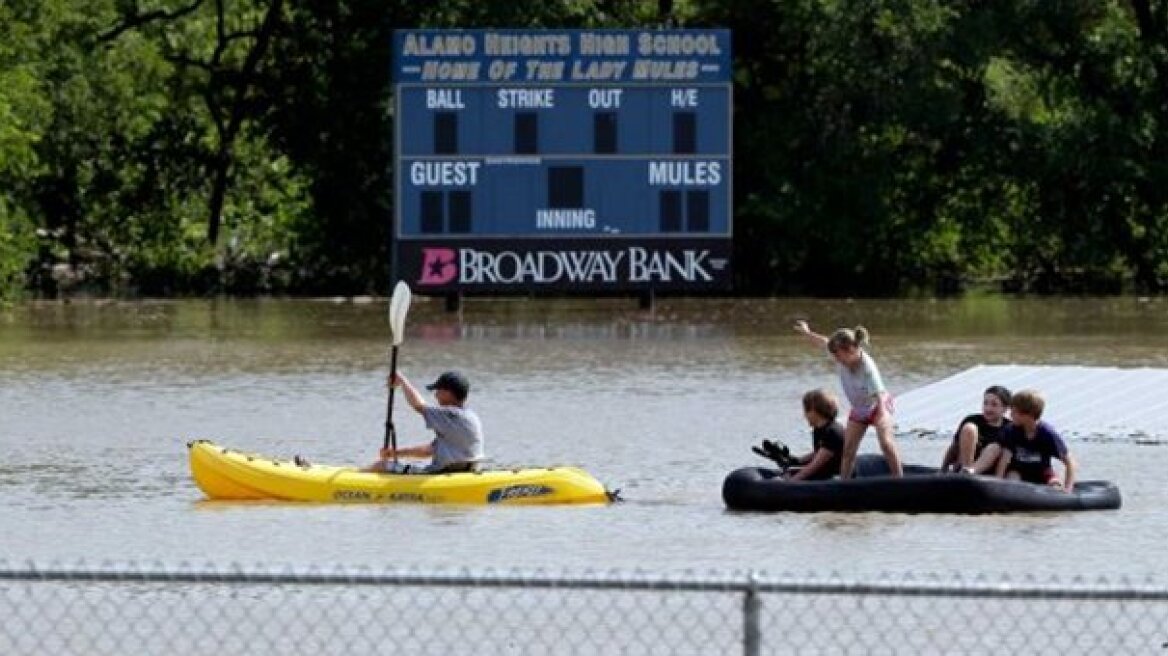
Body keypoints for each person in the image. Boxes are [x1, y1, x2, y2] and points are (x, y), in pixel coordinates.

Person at [793, 320, 904, 478]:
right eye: (835, 355)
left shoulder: (867, 368)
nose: (837, 360)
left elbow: (879, 396)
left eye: (839, 356)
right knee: (848, 451)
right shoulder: (839, 354)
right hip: (859, 408)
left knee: (886, 444)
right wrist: (807, 332)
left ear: (851, 349)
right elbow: (823, 342)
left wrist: (880, 419)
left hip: (878, 406)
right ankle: (845, 485)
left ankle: (898, 480)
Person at [367, 370, 485, 474]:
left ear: (448, 393)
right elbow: (430, 450)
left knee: (382, 466)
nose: (435, 395)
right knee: (389, 464)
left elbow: (419, 406)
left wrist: (402, 381)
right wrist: (395, 453)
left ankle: (354, 483)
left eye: (438, 390)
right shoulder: (471, 416)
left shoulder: (449, 414)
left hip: (443, 473)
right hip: (467, 470)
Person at [995, 389, 1076, 491]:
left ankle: (1055, 488)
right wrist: (997, 483)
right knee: (1012, 477)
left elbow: (1070, 462)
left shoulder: (1047, 433)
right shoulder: (1012, 430)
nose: (1010, 415)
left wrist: (1068, 488)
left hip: (1042, 472)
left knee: (1054, 483)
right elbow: (1004, 459)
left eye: (1014, 412)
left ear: (1029, 415)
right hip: (1019, 471)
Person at [939, 385, 1012, 474]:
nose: (988, 408)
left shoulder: (1009, 427)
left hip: (989, 473)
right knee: (969, 428)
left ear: (1005, 408)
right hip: (964, 468)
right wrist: (944, 468)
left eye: (994, 405)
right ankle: (966, 472)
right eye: (985, 403)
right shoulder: (972, 420)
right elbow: (954, 446)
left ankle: (971, 473)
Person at [785, 389, 846, 481]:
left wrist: (792, 481)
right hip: (826, 472)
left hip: (835, 477)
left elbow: (816, 465)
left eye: (806, 411)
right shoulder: (819, 429)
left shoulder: (832, 432)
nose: (804, 415)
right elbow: (819, 452)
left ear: (813, 412)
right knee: (786, 474)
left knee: (788, 476)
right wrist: (797, 460)